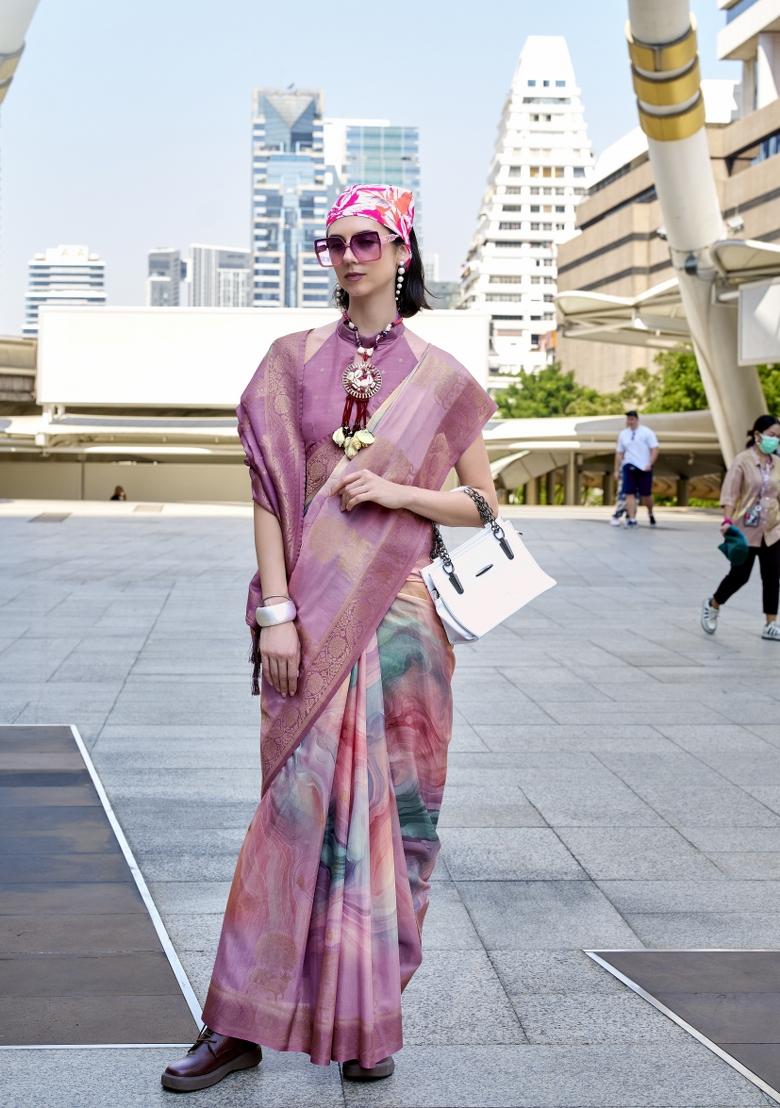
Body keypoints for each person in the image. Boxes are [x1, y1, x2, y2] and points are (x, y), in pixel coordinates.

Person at [161, 184, 498, 1092]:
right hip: (307, 620)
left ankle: (369, 1024)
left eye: (365, 240)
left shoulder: (443, 376)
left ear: (401, 251)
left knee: (397, 824)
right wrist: (277, 611)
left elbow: (482, 503)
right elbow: (270, 498)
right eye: (334, 242)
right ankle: (235, 1024)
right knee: (289, 818)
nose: (348, 255)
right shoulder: (289, 361)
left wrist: (397, 495)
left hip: (404, 632)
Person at [701, 414, 780, 641]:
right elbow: (731, 494)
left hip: (772, 529)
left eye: (778, 437)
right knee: (740, 576)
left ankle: (770, 623)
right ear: (758, 435)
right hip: (746, 530)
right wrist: (727, 521)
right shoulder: (742, 460)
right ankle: (713, 604)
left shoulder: (778, 464)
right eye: (771, 435)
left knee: (772, 576)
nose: (775, 441)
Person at [614, 411, 658, 527]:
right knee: (629, 493)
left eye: (632, 419)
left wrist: (650, 463)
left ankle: (650, 513)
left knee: (646, 495)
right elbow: (619, 453)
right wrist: (617, 469)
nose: (630, 422)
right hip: (628, 465)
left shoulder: (647, 432)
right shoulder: (623, 434)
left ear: (637, 420)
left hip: (644, 467)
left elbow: (654, 449)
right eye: (628, 419)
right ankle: (632, 518)